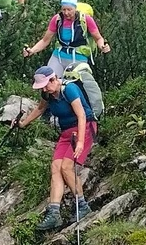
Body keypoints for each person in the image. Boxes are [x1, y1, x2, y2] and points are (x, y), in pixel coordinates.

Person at [14, 65, 97, 230]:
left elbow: (81, 115)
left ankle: (82, 206)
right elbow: (40, 108)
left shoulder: (70, 89)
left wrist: (80, 142)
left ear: (54, 79)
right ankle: (54, 214)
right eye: (42, 86)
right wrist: (22, 124)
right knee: (55, 167)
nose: (44, 89)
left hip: (85, 127)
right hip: (66, 132)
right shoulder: (48, 93)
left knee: (67, 167)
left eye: (46, 85)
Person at [22, 0, 110, 75]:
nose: (66, 13)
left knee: (74, 85)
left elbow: (98, 38)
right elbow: (45, 40)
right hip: (59, 56)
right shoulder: (57, 19)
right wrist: (32, 51)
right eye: (64, 9)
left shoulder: (85, 19)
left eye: (69, 9)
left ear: (75, 8)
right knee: (50, 79)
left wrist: (102, 46)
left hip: (79, 57)